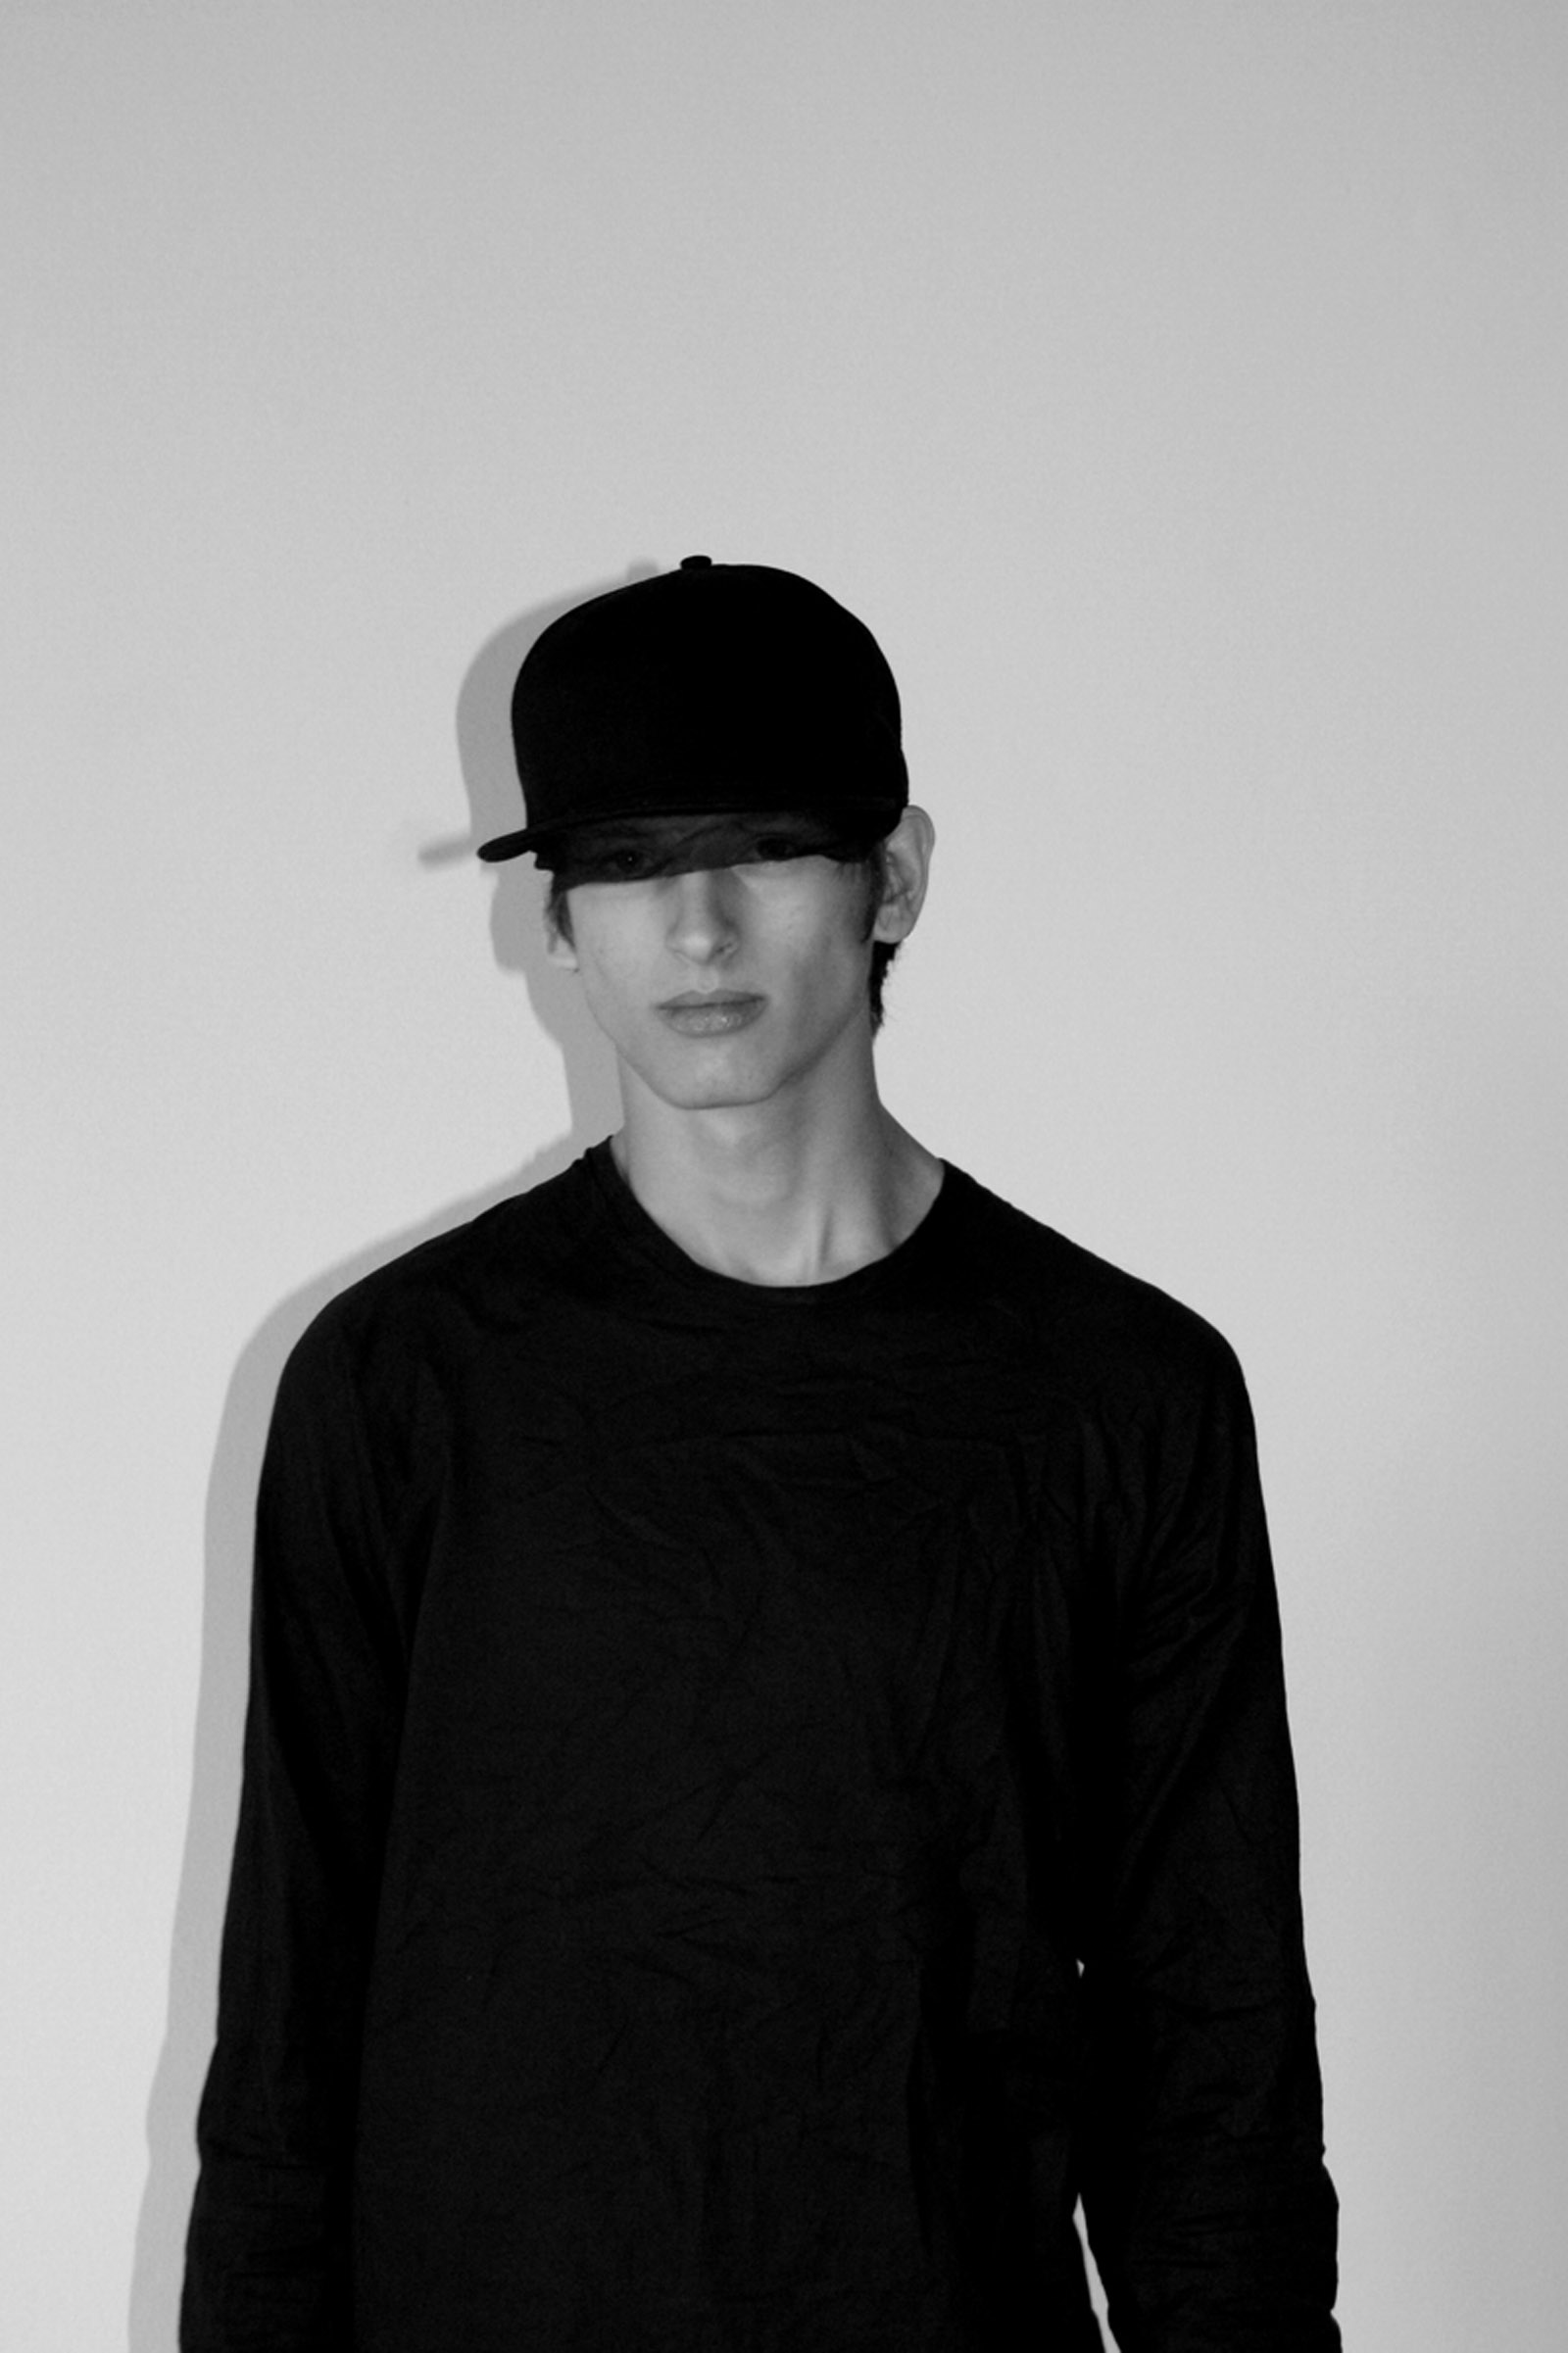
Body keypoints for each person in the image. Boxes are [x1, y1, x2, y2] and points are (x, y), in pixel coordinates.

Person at [182, 557, 1340, 2350]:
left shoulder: (1121, 1397)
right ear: (557, 921)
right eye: (629, 862)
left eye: (766, 846)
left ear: (897, 876)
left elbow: (1214, 2045)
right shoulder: (402, 1387)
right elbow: (287, 2033)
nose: (698, 927)